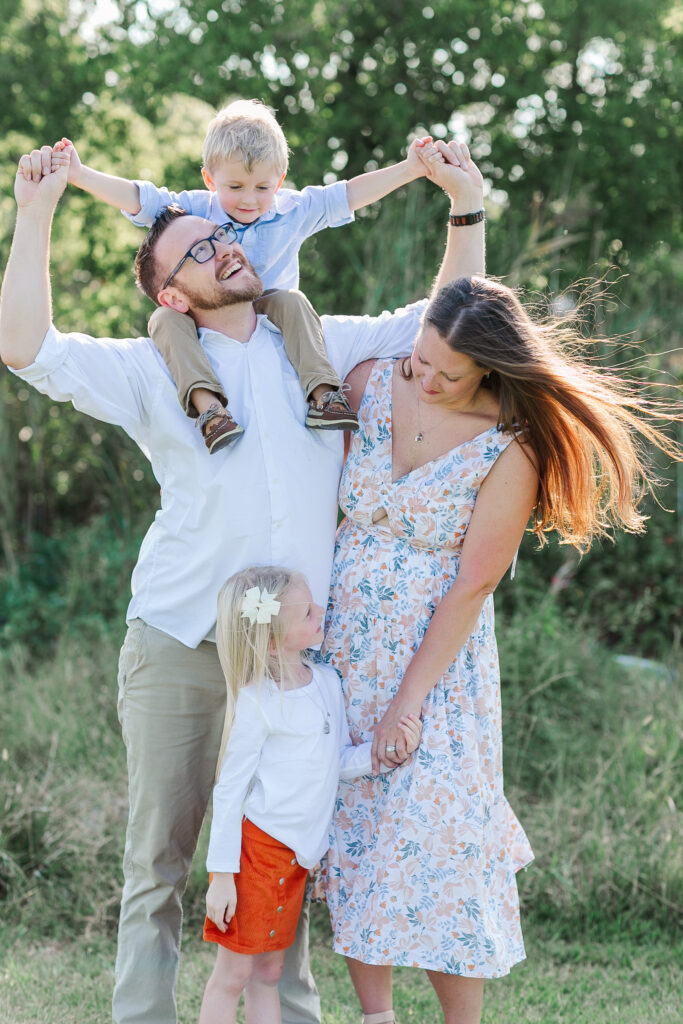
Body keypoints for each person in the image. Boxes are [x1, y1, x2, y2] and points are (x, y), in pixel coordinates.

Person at [0, 136, 485, 1024]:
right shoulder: (152, 370)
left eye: (221, 235)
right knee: (160, 861)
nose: (226, 242)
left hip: (287, 660)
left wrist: (464, 208)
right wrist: (34, 215)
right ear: (170, 294)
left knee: (281, 848)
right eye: (196, 247)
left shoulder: (320, 346)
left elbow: (441, 319)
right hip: (180, 639)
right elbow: (27, 346)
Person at [318, 271, 682, 1023]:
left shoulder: (509, 447)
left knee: (442, 839)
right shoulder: (366, 385)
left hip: (436, 667)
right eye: (420, 362)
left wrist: (407, 704)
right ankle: (375, 1015)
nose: (427, 379)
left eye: (449, 374)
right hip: (342, 645)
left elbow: (473, 583)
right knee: (354, 834)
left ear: (488, 366)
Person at [53, 98, 435, 449]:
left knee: (293, 301)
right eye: (234, 187)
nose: (249, 200)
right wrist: (80, 174)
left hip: (269, 306)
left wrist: (410, 168)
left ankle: (323, 396)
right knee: (164, 319)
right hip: (212, 311)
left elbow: (348, 194)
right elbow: (142, 198)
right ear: (210, 180)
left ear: (280, 181)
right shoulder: (196, 209)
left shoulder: (293, 210)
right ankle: (210, 411)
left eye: (262, 187)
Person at [199, 565, 421, 1024]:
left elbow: (336, 761)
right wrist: (221, 875)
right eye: (306, 613)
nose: (321, 612)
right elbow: (229, 791)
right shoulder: (257, 702)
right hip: (256, 855)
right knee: (234, 973)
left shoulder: (327, 684)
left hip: (296, 859)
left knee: (270, 970)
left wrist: (384, 756)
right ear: (275, 641)